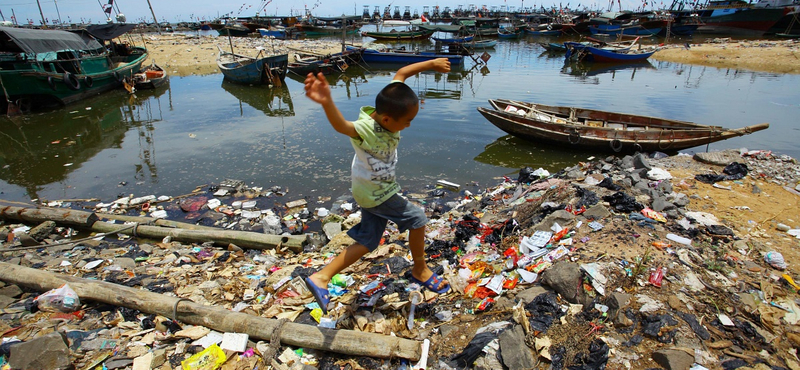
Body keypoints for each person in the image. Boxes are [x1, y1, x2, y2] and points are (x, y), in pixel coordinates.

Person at [303, 58, 452, 314]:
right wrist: (327, 101)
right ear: (385, 119)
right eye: (407, 121)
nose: (408, 126)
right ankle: (420, 269)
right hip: (377, 193)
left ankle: (321, 277)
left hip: (368, 190)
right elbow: (342, 126)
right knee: (417, 218)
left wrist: (433, 64)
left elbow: (402, 71)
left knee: (368, 240)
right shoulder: (366, 129)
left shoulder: (392, 101)